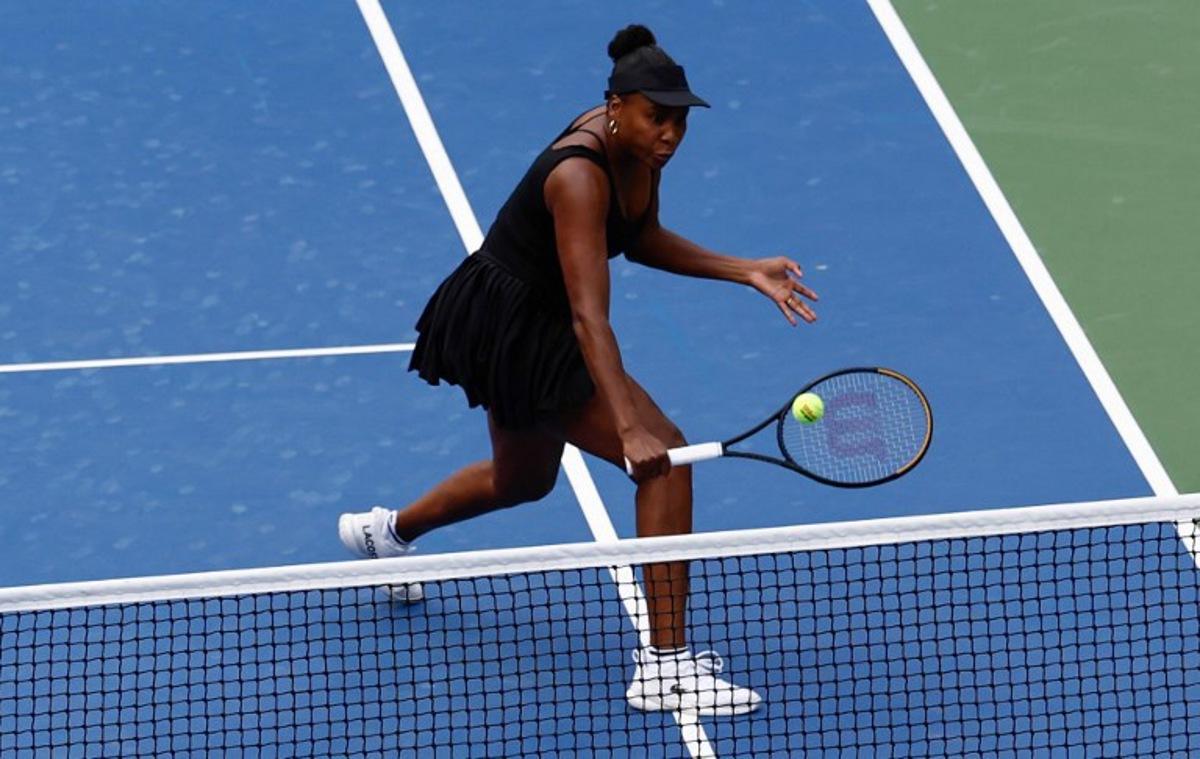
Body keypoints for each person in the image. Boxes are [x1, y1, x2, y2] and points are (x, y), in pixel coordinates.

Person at [339, 24, 817, 716]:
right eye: (659, 118)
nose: (671, 135)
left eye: (681, 122)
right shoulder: (579, 177)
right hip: (520, 324)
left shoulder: (641, 155)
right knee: (667, 461)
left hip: (527, 315)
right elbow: (591, 317)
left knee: (524, 479)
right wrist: (629, 431)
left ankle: (385, 533)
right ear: (617, 105)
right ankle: (664, 666)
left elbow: (643, 238)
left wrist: (743, 269)